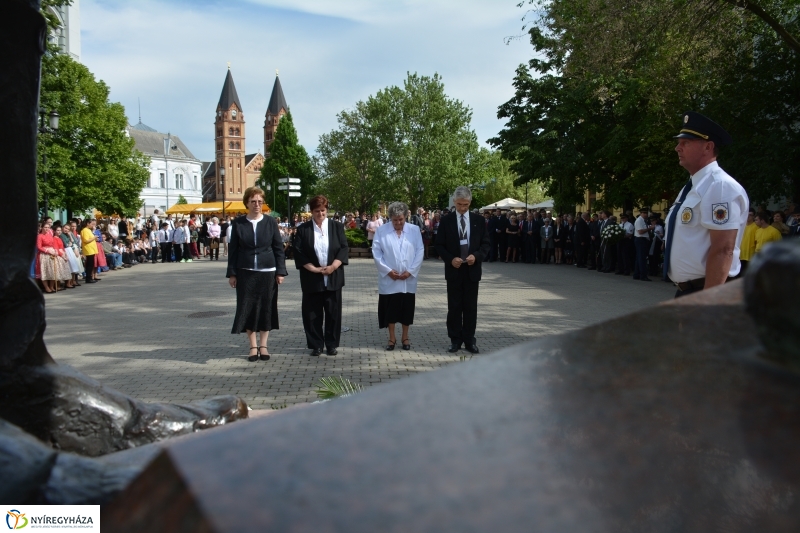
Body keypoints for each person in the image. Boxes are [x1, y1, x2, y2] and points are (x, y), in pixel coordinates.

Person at [663, 111, 749, 298]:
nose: (678, 148)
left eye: (685, 143)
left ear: (708, 147)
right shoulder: (694, 186)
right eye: (679, 143)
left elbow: (723, 249)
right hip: (689, 291)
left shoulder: (719, 186)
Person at [227, 187, 287, 362]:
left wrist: (280, 271)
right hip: (245, 272)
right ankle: (253, 346)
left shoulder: (270, 222)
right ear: (247, 202)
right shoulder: (238, 223)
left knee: (266, 308)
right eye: (253, 201)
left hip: (267, 271)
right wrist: (232, 273)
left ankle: (264, 345)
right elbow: (233, 251)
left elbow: (278, 249)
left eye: (260, 201)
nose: (257, 205)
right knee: (248, 308)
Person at [434, 186, 491, 354]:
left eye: (465, 205)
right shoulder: (446, 220)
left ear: (470, 202)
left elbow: (486, 244)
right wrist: (451, 259)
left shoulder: (479, 221)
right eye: (459, 204)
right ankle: (455, 340)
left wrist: (477, 256)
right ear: (454, 202)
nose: (462, 208)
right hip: (454, 270)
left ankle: (469, 340)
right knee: (454, 307)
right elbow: (439, 245)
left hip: (472, 270)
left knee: (470, 307)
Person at [293, 195, 349, 357]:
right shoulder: (303, 230)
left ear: (327, 210)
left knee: (333, 313)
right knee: (312, 314)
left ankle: (331, 344)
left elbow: (343, 248)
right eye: (317, 211)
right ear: (311, 211)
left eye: (323, 211)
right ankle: (316, 345)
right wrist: (314, 269)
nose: (320, 214)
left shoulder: (337, 227)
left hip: (333, 277)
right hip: (312, 278)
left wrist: (333, 266)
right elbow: (299, 253)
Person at [372, 202, 425, 351]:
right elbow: (376, 253)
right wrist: (388, 271)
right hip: (389, 278)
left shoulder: (414, 230)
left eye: (401, 219)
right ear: (390, 218)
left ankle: (405, 337)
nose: (398, 223)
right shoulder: (382, 231)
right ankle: (391, 337)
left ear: (406, 216)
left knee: (406, 308)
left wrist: (411, 271)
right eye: (395, 220)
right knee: (390, 309)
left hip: (408, 278)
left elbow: (420, 251)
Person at [633, 208, 653, 281]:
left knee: (639, 258)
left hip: (643, 240)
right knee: (642, 258)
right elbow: (640, 231)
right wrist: (650, 228)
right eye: (644, 213)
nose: (645, 215)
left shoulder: (644, 221)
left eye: (646, 213)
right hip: (640, 239)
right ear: (641, 213)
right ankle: (643, 275)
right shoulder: (639, 220)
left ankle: (637, 274)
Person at [80, 219, 100, 283]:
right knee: (89, 264)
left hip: (91, 249)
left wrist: (94, 238)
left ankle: (90, 277)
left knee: (91, 264)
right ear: (87, 224)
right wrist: (94, 237)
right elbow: (86, 240)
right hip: (88, 249)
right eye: (91, 224)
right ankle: (88, 278)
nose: (92, 225)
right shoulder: (84, 230)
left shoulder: (88, 230)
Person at [738, 208, 757, 273]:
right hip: (740, 254)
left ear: (754, 216)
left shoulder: (756, 227)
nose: (748, 216)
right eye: (747, 214)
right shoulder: (741, 225)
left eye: (750, 215)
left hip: (751, 255)